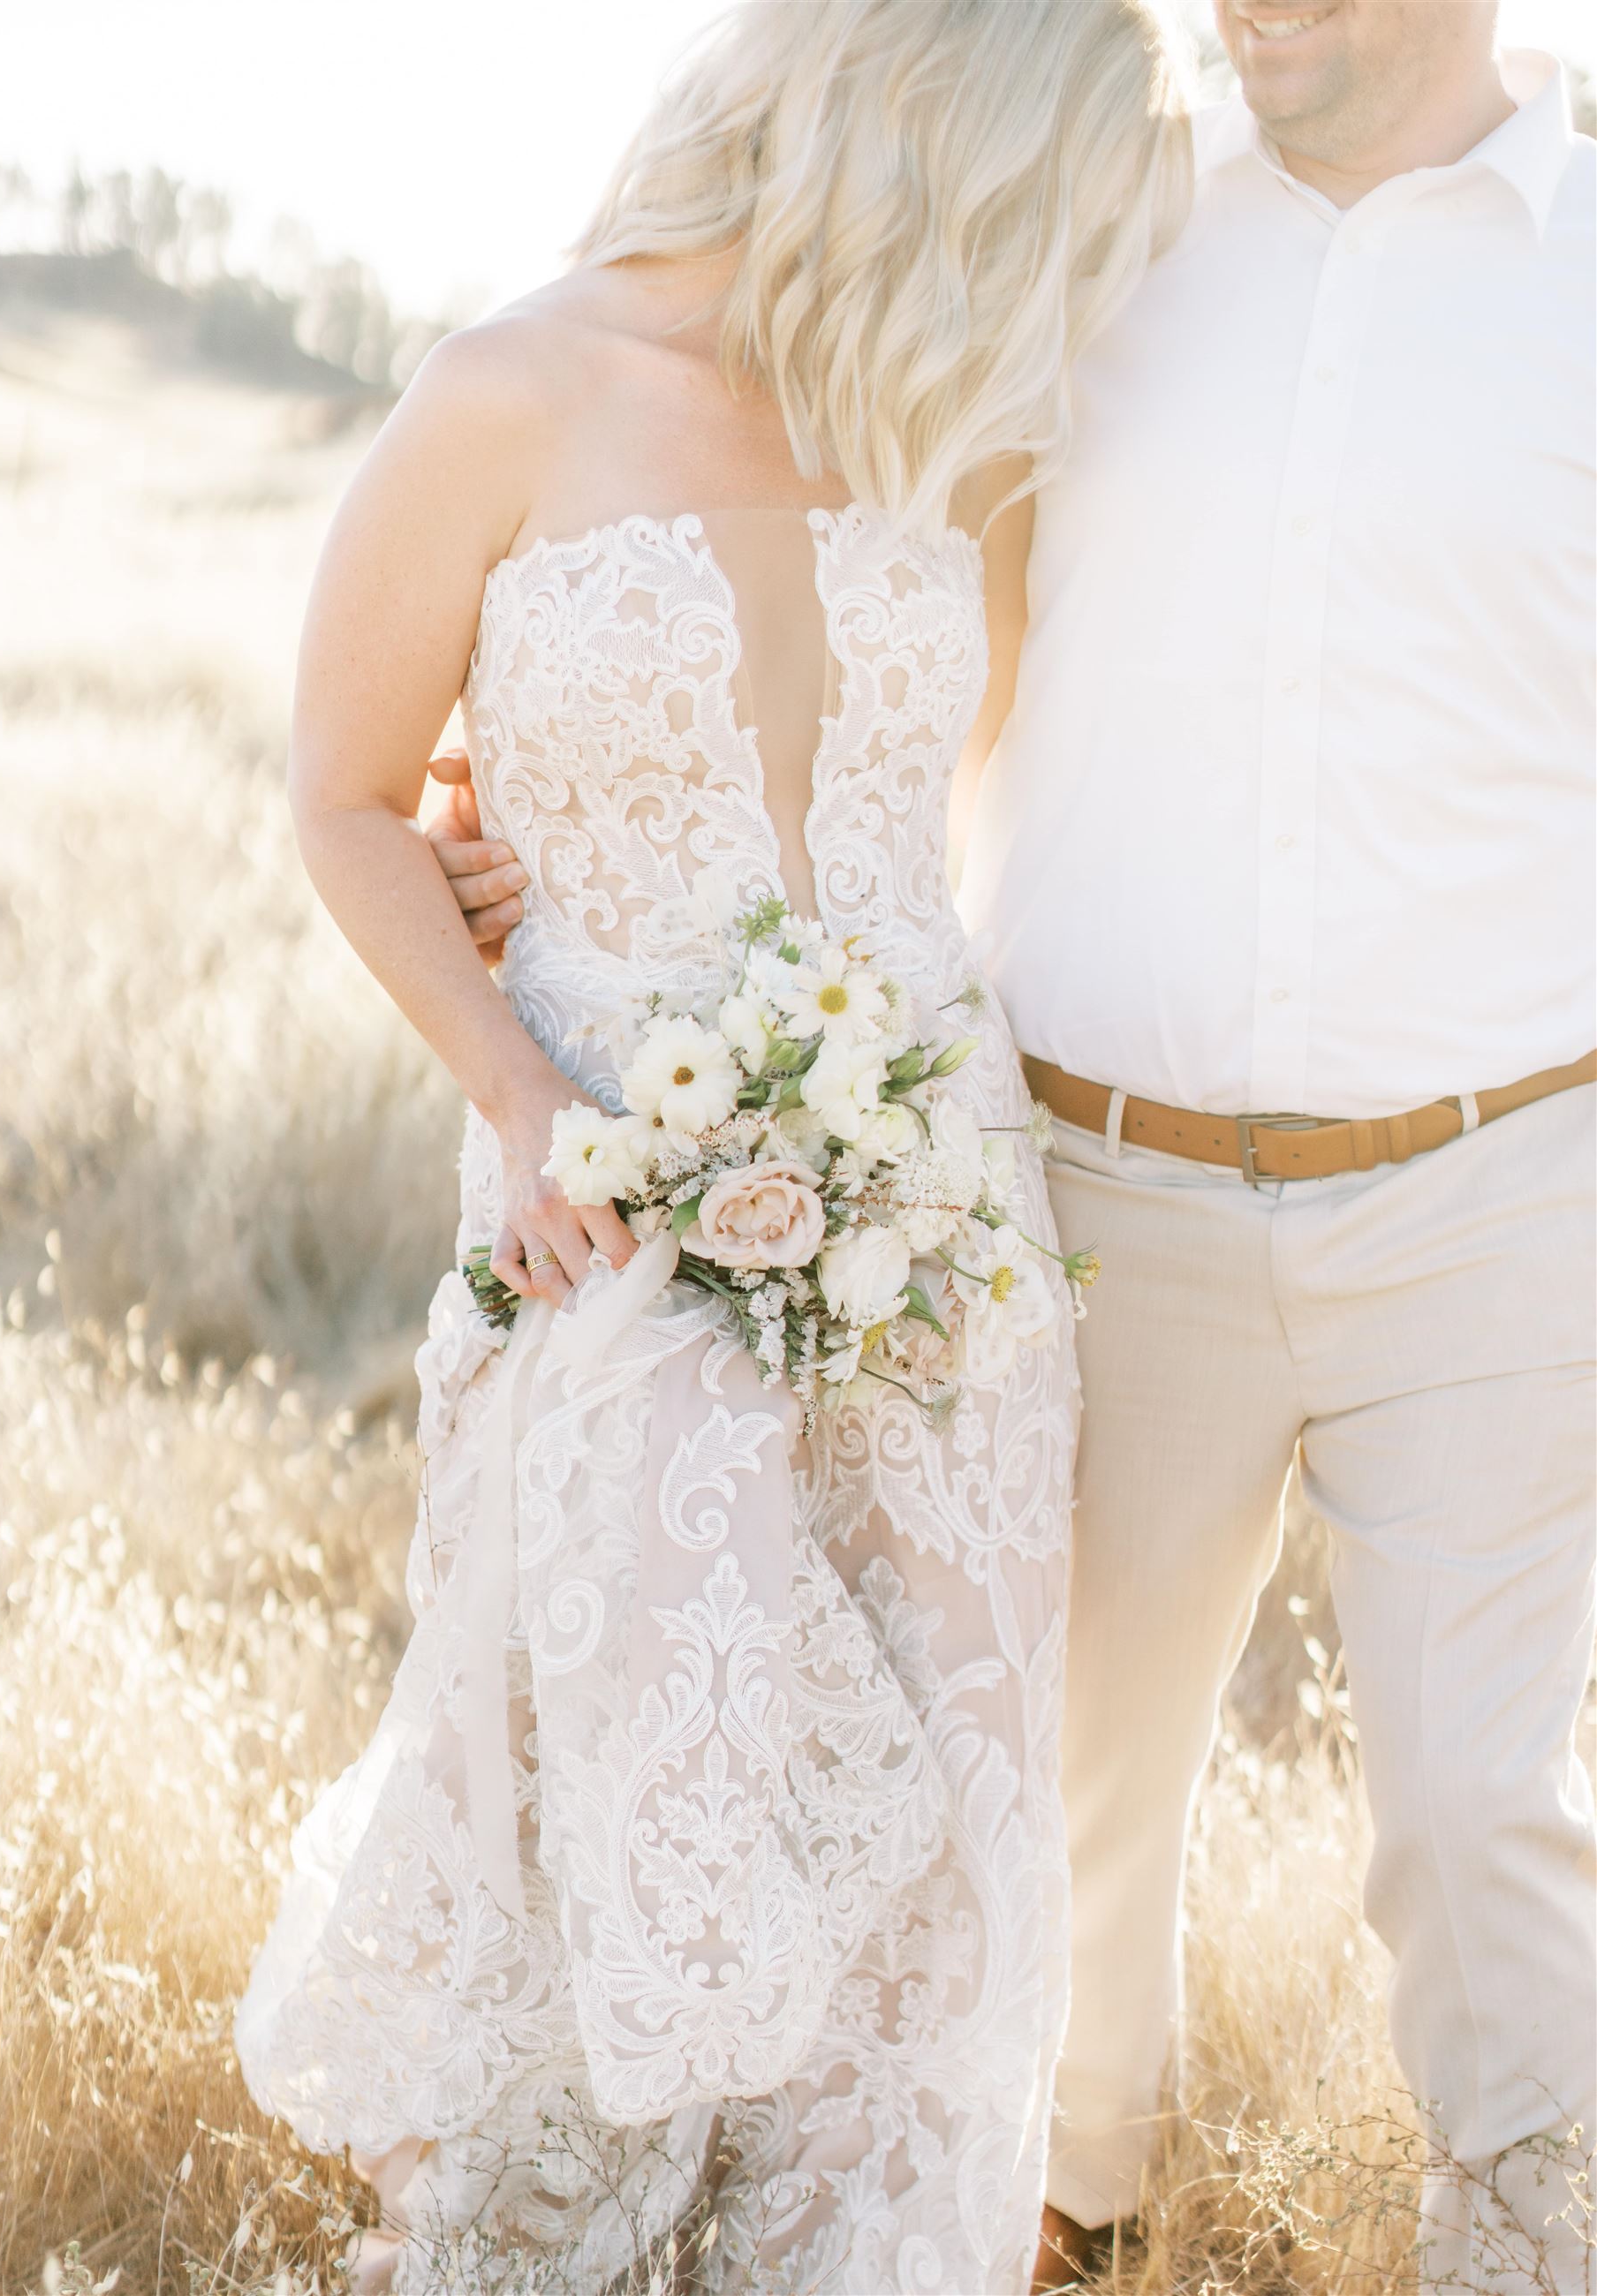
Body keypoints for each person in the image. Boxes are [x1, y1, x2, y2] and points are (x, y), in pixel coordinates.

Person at [431, 4, 1597, 2289]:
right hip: (1095, 1188)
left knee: (1480, 1814)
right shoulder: (1107, 233)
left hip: (1496, 1193)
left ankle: (1534, 2231)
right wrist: (557, 818)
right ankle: (1072, 2210)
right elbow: (841, 574)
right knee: (1053, 1797)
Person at [233, 5, 1192, 2290]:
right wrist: (525, 1080)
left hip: (933, 1201)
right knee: (624, 1773)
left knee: (947, 1797)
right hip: (610, 1197)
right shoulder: (510, 389)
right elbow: (347, 800)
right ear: (917, 129)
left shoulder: (957, 435)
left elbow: (974, 810)